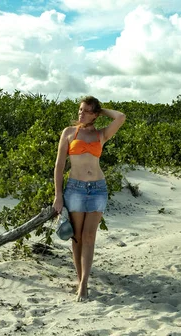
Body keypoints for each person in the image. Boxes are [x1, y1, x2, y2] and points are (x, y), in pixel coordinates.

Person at [52, 96, 126, 302]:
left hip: (98, 190)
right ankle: (80, 280)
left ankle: (84, 283)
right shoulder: (68, 132)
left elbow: (120, 117)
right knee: (77, 237)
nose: (80, 113)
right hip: (74, 189)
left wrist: (101, 111)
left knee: (89, 237)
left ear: (94, 114)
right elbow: (59, 166)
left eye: (85, 111)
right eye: (79, 110)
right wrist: (58, 195)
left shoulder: (101, 134)